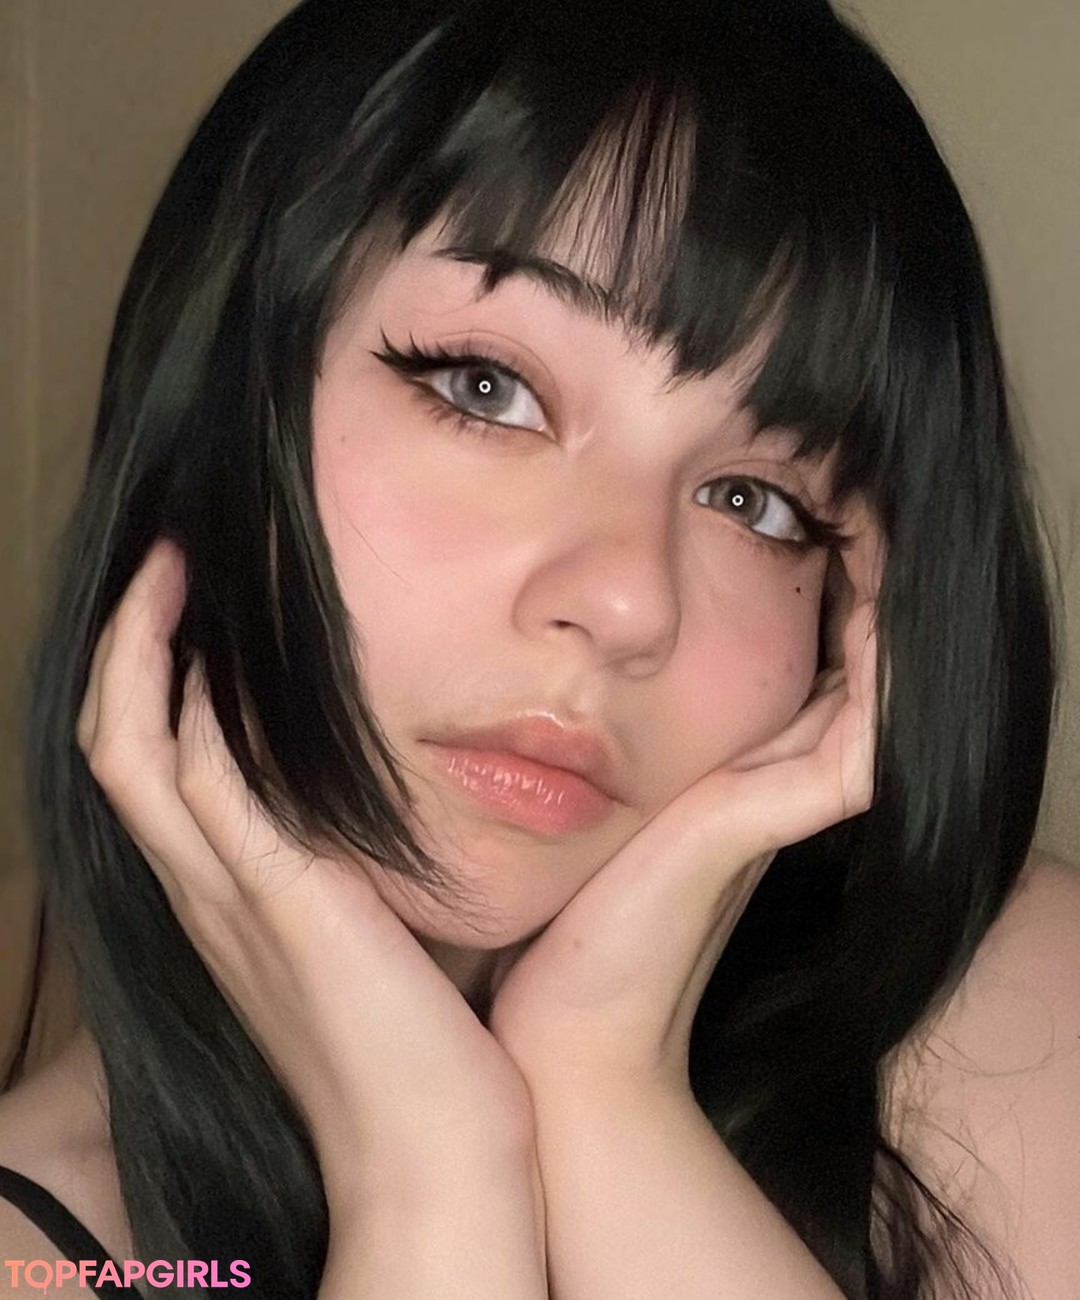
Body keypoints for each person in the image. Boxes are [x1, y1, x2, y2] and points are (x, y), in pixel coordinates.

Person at [0, 0, 1076, 1295]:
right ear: (216, 400)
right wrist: (428, 1170)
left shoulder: (1013, 1031)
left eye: (756, 501)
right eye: (486, 389)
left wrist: (604, 1074)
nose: (629, 603)